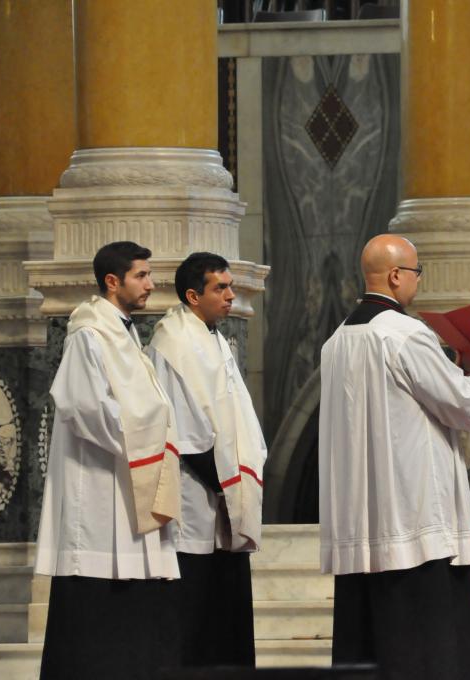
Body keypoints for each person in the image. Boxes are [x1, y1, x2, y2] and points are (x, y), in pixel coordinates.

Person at [319, 234, 470, 680]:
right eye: (416, 272)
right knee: (426, 643)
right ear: (396, 276)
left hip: (361, 512)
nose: (417, 281)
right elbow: (458, 404)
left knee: (370, 638)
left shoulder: (336, 340)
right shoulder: (405, 333)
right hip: (412, 515)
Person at [35, 241, 182, 680]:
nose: (151, 285)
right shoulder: (89, 332)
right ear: (112, 281)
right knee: (95, 603)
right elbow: (81, 405)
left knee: (131, 604)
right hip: (99, 482)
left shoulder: (123, 331)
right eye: (142, 275)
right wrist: (142, 431)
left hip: (124, 476)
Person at [148, 252, 266, 667]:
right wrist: (227, 485)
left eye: (231, 286)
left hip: (223, 493)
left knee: (226, 613)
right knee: (195, 615)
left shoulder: (213, 336)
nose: (231, 295)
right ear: (194, 295)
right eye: (221, 288)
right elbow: (184, 426)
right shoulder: (174, 343)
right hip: (198, 493)